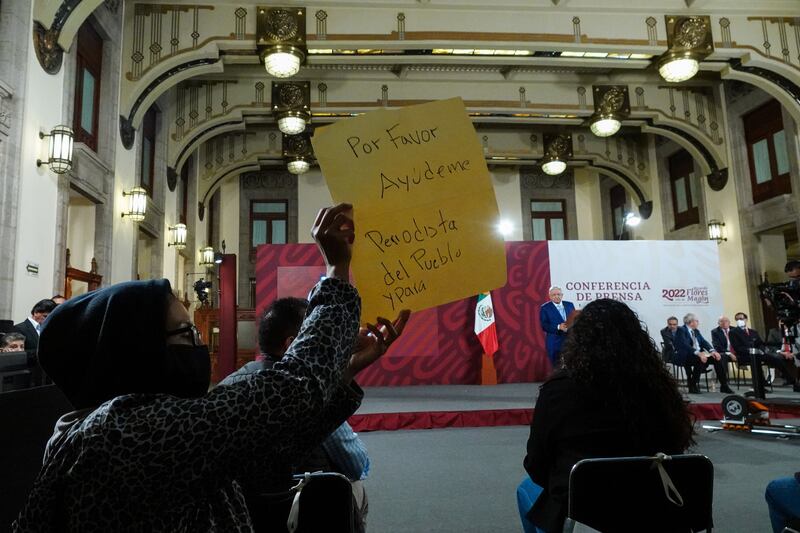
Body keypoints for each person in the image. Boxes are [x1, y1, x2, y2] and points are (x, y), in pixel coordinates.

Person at [13, 203, 392, 531]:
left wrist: (344, 369)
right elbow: (292, 389)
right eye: (185, 333)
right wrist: (337, 270)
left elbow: (268, 446)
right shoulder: (122, 435)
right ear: (133, 351)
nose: (198, 344)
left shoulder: (135, 427)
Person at [218, 297, 409, 532]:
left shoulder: (225, 391)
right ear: (292, 344)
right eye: (318, 337)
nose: (328, 346)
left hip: (243, 515)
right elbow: (356, 463)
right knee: (355, 485)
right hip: (303, 510)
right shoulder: (310, 395)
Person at [522, 299, 694, 533]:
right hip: (655, 506)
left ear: (578, 339)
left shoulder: (558, 390)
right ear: (637, 337)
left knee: (526, 490)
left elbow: (536, 464)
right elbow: (676, 447)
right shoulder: (659, 386)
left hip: (587, 512)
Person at [729, 312, 799, 392]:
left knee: (775, 359)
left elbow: (760, 343)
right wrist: (752, 351)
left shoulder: (753, 332)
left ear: (746, 319)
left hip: (758, 354)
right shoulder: (733, 332)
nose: (739, 320)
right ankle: (759, 385)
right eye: (737, 319)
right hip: (744, 356)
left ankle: (792, 381)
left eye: (741, 319)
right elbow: (737, 348)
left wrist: (761, 350)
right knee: (756, 360)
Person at [673, 313, 733, 394]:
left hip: (699, 355)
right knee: (699, 359)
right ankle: (693, 385)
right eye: (697, 321)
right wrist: (698, 353)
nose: (698, 323)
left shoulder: (696, 331)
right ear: (691, 322)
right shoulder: (681, 330)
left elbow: (704, 342)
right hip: (686, 355)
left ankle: (724, 385)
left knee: (717, 358)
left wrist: (713, 351)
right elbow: (684, 344)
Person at [539, 286, 575, 366]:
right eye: (554, 295)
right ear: (550, 296)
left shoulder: (569, 305)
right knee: (556, 366)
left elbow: (574, 319)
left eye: (558, 294)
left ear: (562, 295)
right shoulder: (545, 308)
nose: (556, 296)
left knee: (571, 364)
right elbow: (544, 325)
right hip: (554, 342)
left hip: (569, 340)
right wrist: (558, 327)